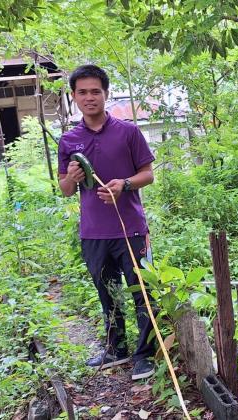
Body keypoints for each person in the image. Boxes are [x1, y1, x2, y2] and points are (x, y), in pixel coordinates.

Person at [58, 64, 157, 380]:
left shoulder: (128, 132)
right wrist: (71, 178)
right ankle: (117, 349)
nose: (89, 98)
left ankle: (146, 355)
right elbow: (64, 189)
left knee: (142, 292)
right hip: (93, 233)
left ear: (105, 94)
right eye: (82, 92)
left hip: (131, 229)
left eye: (95, 91)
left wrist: (124, 185)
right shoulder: (69, 140)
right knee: (108, 293)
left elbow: (148, 174)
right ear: (74, 96)